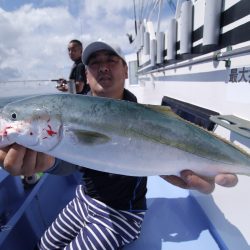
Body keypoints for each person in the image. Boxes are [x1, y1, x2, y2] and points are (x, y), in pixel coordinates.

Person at [0, 41, 238, 249]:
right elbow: (71, 158)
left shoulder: (144, 116)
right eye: (94, 63)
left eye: (111, 60)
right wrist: (48, 162)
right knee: (43, 246)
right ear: (86, 74)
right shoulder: (73, 113)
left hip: (123, 216)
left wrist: (190, 166)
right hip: (83, 200)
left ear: (125, 70)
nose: (103, 66)